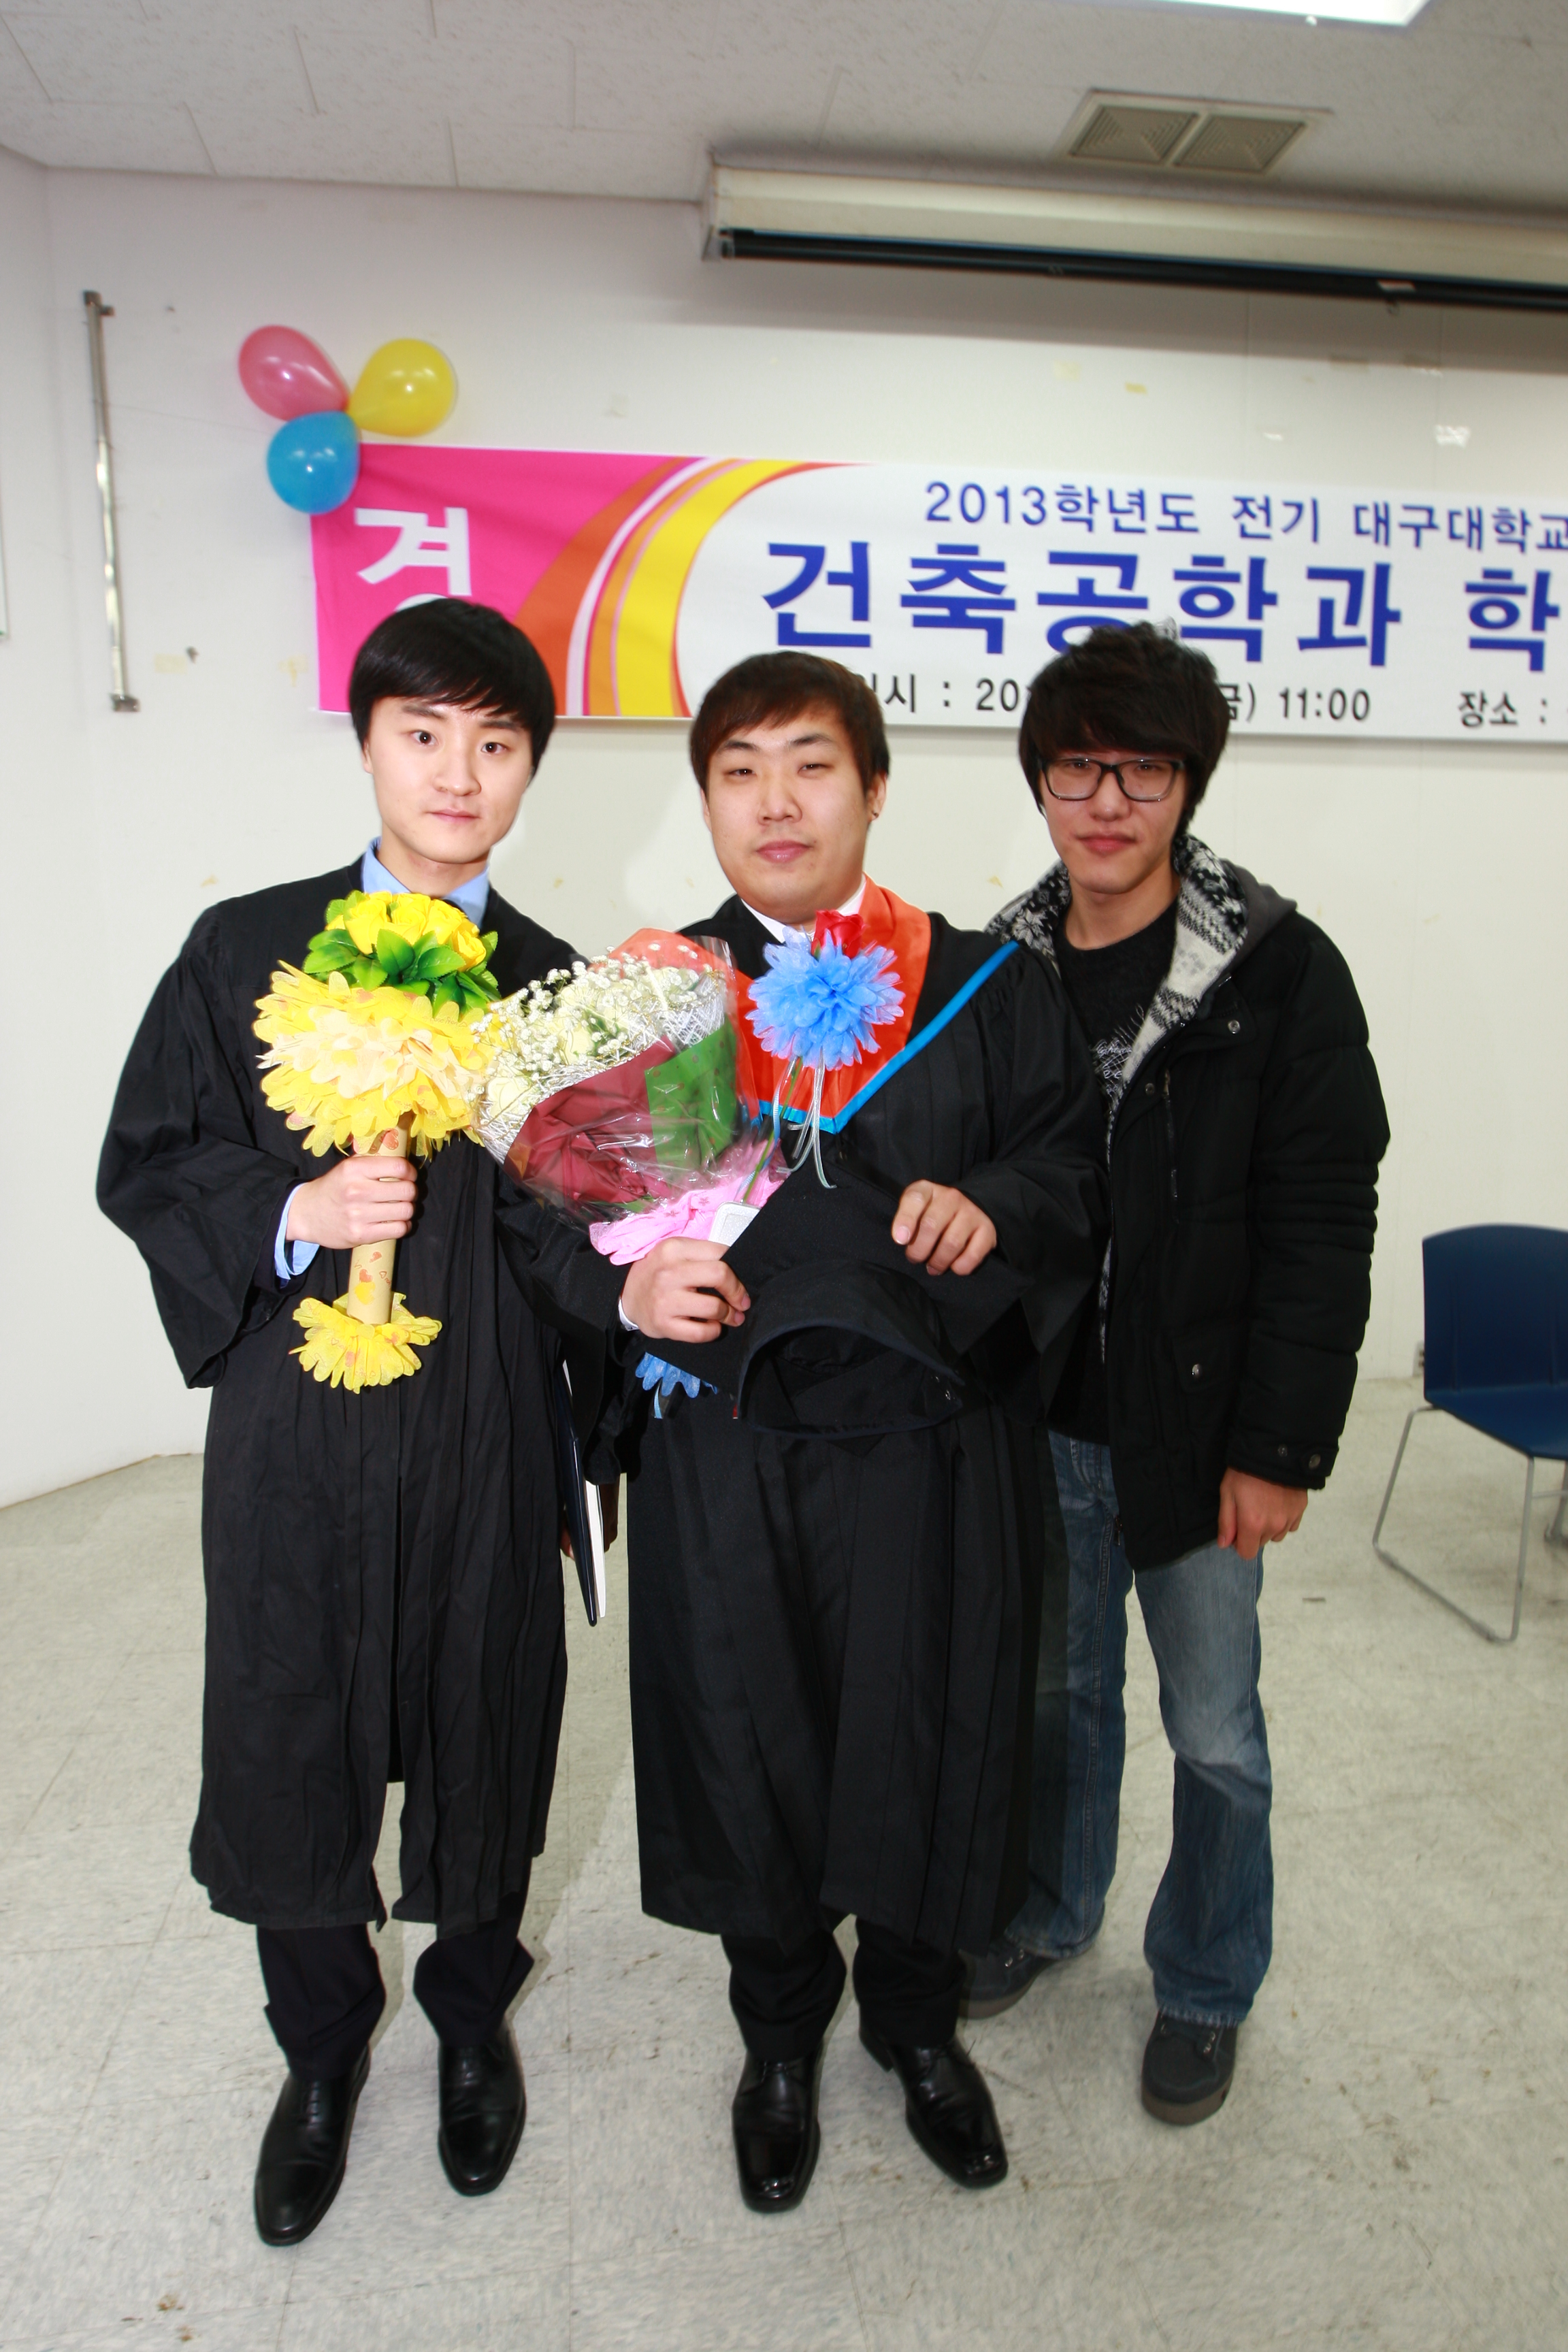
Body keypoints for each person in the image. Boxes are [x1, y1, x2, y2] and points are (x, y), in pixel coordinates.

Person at [499, 651, 1107, 2212]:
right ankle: (777, 2042)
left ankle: (915, 2025)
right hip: (727, 1446)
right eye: (739, 770)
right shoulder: (648, 998)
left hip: (932, 1449)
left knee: (930, 1727)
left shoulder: (987, 982)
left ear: (875, 788)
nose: (776, 801)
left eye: (812, 764)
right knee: (746, 1733)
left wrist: (995, 1203)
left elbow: (1070, 1166)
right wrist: (625, 1294)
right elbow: (539, 1218)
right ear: (706, 800)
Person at [99, 600, 599, 2243]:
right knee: (290, 1725)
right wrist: (295, 1208)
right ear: (369, 740)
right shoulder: (245, 949)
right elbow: (152, 1157)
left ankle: (469, 2019)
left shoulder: (558, 992)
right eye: (423, 732)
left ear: (531, 764)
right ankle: (320, 2052)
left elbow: (598, 1233)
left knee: (486, 1714)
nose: (460, 772)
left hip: (487, 1430)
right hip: (299, 1433)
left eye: (498, 742)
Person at [965, 623, 1388, 2125]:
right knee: (1055, 1697)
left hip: (1205, 1430)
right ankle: (1048, 1910)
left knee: (1214, 1731)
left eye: (1142, 770)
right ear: (1039, 781)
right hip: (1042, 1420)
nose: (1107, 803)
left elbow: (1324, 1222)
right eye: (1077, 769)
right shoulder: (994, 969)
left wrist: (1281, 1446)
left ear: (1189, 784)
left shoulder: (1278, 969)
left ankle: (1206, 1982)